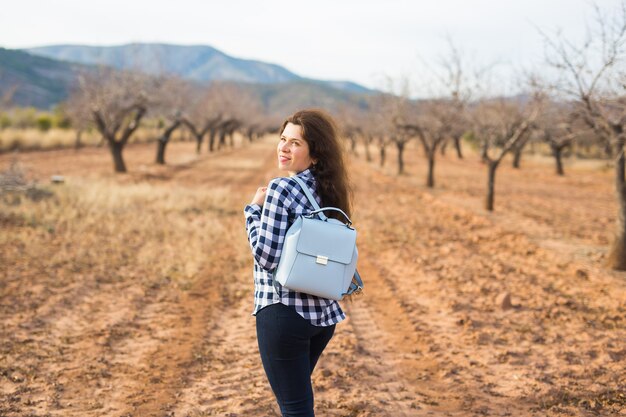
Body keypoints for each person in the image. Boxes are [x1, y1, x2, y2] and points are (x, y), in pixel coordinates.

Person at [243, 109, 353, 416]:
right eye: (282, 139)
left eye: (295, 143)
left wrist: (253, 212)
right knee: (297, 402)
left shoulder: (281, 188)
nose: (284, 148)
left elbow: (266, 257)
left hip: (283, 314)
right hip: (321, 317)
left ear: (314, 154)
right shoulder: (329, 190)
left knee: (295, 409)